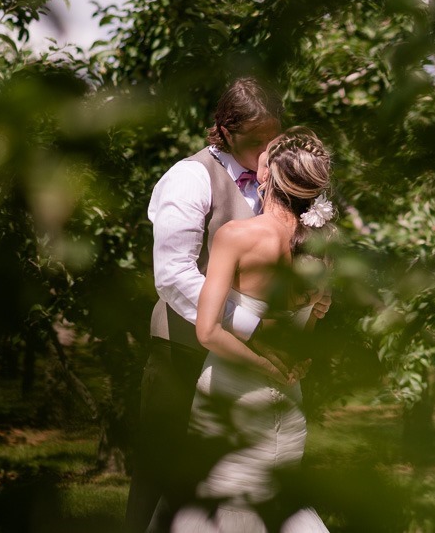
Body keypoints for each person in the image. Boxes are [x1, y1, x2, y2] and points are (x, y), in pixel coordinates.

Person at [125, 77, 286, 533]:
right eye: (254, 141)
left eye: (272, 140)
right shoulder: (192, 177)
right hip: (182, 351)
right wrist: (253, 328)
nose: (265, 152)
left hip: (247, 360)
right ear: (225, 130)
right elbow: (175, 276)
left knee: (234, 476)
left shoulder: (280, 183)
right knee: (163, 473)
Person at [171, 126, 335, 533]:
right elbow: (302, 341)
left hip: (231, 400)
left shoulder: (236, 237)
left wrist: (266, 369)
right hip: (288, 405)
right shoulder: (320, 246)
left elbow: (207, 331)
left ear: (267, 177)